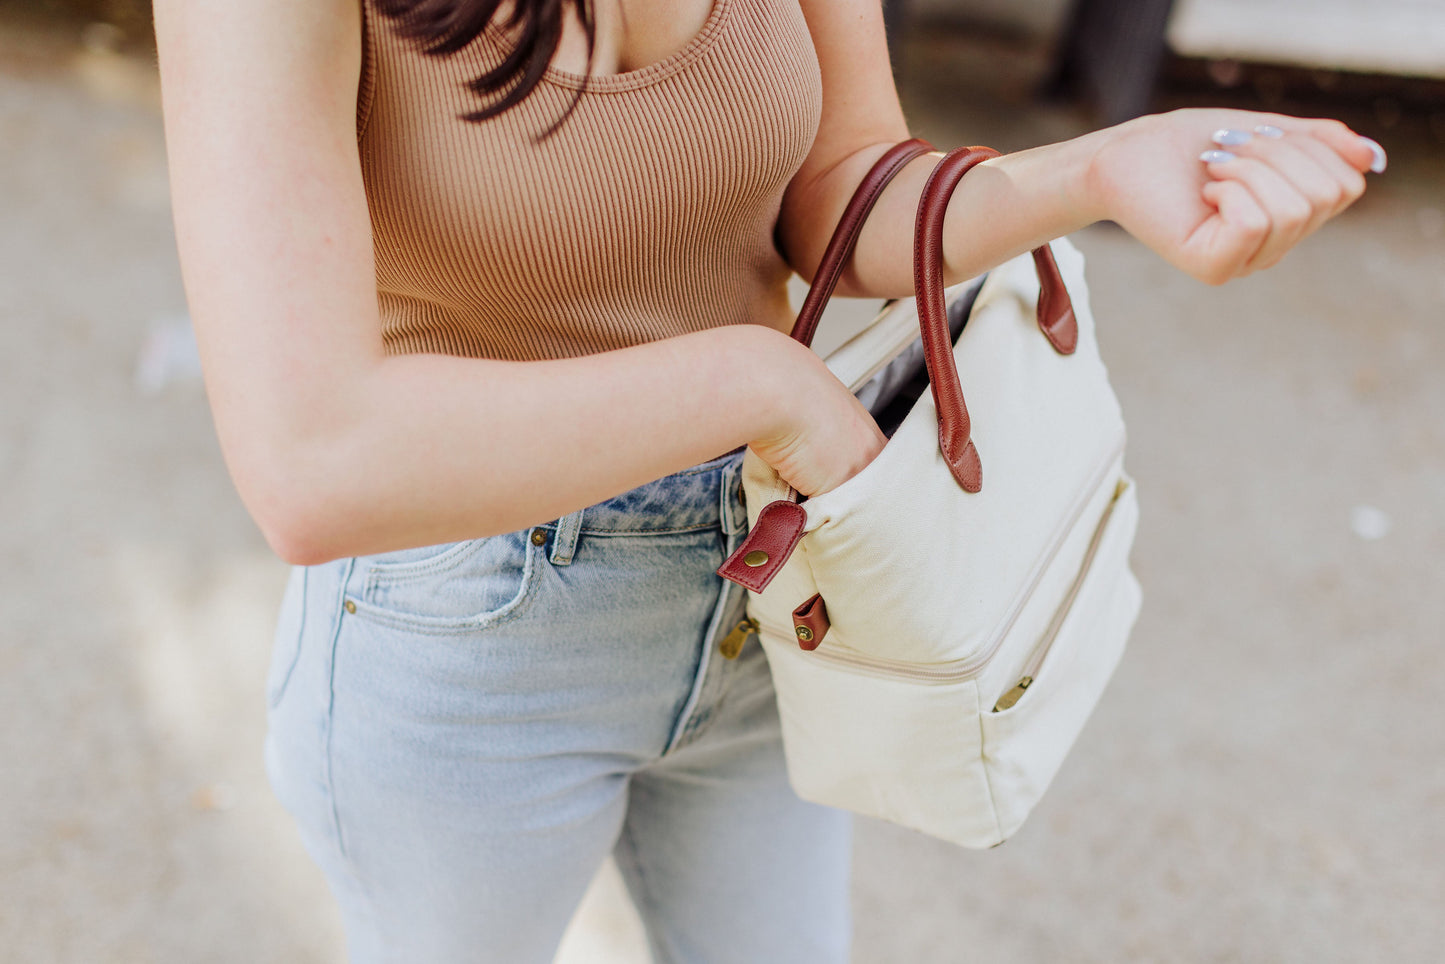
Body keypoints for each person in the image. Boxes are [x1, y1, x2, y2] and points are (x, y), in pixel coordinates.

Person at [152, 0, 1383, 960]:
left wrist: (1101, 172)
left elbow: (835, 190)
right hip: (470, 631)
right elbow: (312, 458)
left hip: (776, 585)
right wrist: (759, 382)